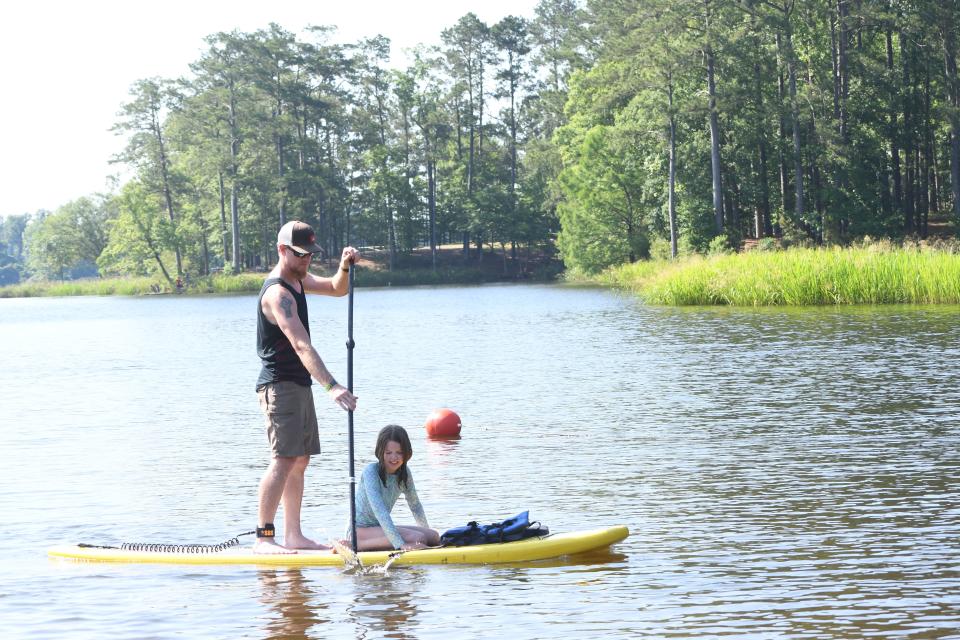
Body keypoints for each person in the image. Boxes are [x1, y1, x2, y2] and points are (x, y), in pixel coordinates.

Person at [254, 220, 359, 554]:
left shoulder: (298, 280)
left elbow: (337, 288)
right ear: (282, 250)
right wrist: (332, 387)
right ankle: (263, 538)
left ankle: (294, 536)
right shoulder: (277, 293)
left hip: (299, 383)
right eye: (300, 255)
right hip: (278, 385)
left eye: (311, 255)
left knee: (300, 461)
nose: (307, 262)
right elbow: (301, 345)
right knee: (283, 459)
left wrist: (343, 266)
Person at [350, 425, 440, 551]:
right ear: (380, 452)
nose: (394, 458)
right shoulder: (371, 471)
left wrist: (427, 533)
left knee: (434, 536)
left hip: (379, 528)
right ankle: (352, 545)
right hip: (358, 531)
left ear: (406, 453)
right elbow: (380, 511)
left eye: (399, 453)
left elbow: (415, 506)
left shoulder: (405, 473)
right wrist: (400, 544)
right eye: (388, 453)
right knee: (417, 538)